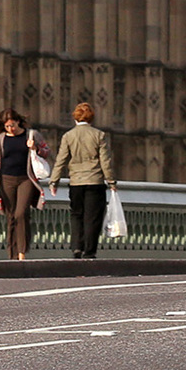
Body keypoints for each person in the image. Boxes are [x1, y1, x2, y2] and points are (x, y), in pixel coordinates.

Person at [0, 109, 49, 260]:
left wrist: (35, 148)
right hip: (6, 179)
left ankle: (22, 252)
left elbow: (46, 151)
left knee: (21, 213)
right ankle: (12, 255)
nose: (10, 129)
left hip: (26, 179)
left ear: (18, 121)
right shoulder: (1, 139)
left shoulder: (31, 135)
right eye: (7, 126)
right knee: (11, 217)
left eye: (12, 125)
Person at [50, 101, 115, 258]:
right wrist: (111, 181)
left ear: (75, 119)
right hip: (94, 181)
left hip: (76, 182)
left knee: (76, 214)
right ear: (91, 118)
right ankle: (89, 250)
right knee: (92, 217)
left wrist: (54, 181)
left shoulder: (68, 136)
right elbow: (105, 161)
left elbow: (61, 160)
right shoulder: (99, 135)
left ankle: (76, 247)